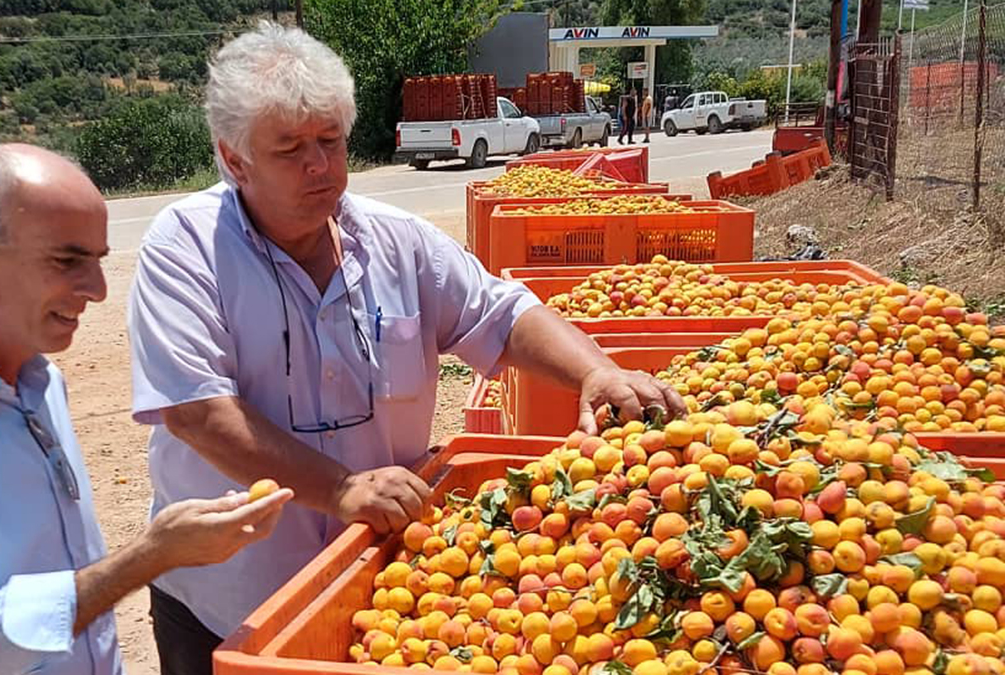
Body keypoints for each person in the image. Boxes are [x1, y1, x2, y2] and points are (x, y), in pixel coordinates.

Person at [126, 22, 686, 675]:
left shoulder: (396, 242)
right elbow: (197, 411)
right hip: (232, 604)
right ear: (234, 157)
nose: (319, 165)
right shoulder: (187, 247)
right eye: (290, 149)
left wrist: (596, 371)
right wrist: (337, 487)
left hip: (378, 586)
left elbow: (500, 312)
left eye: (331, 141)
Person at [0, 143, 293, 675]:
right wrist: (151, 556)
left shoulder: (40, 384)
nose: (97, 289)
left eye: (97, 261)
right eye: (68, 260)